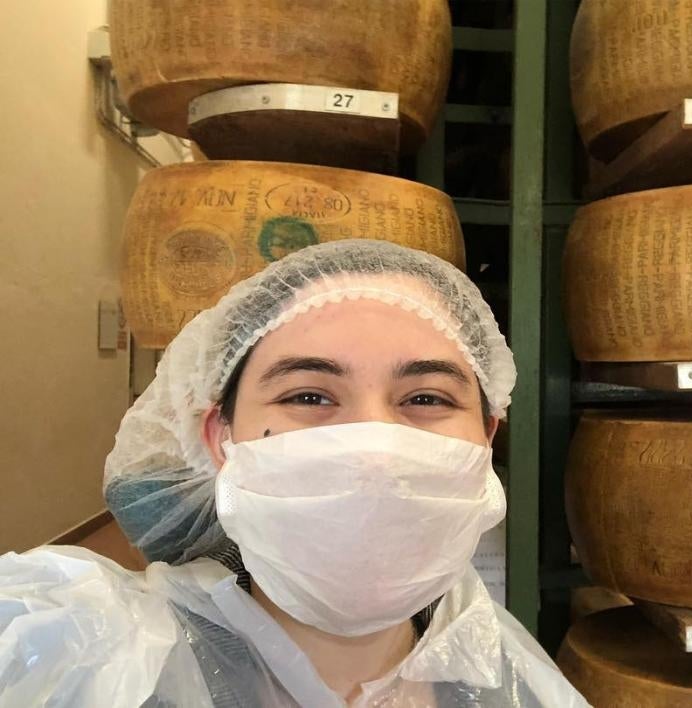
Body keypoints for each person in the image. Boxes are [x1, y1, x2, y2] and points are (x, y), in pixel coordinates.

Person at [0, 239, 589, 707]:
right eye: (308, 396)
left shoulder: (509, 679)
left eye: (427, 398)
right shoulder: (86, 651)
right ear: (219, 439)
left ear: (486, 439)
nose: (374, 451)